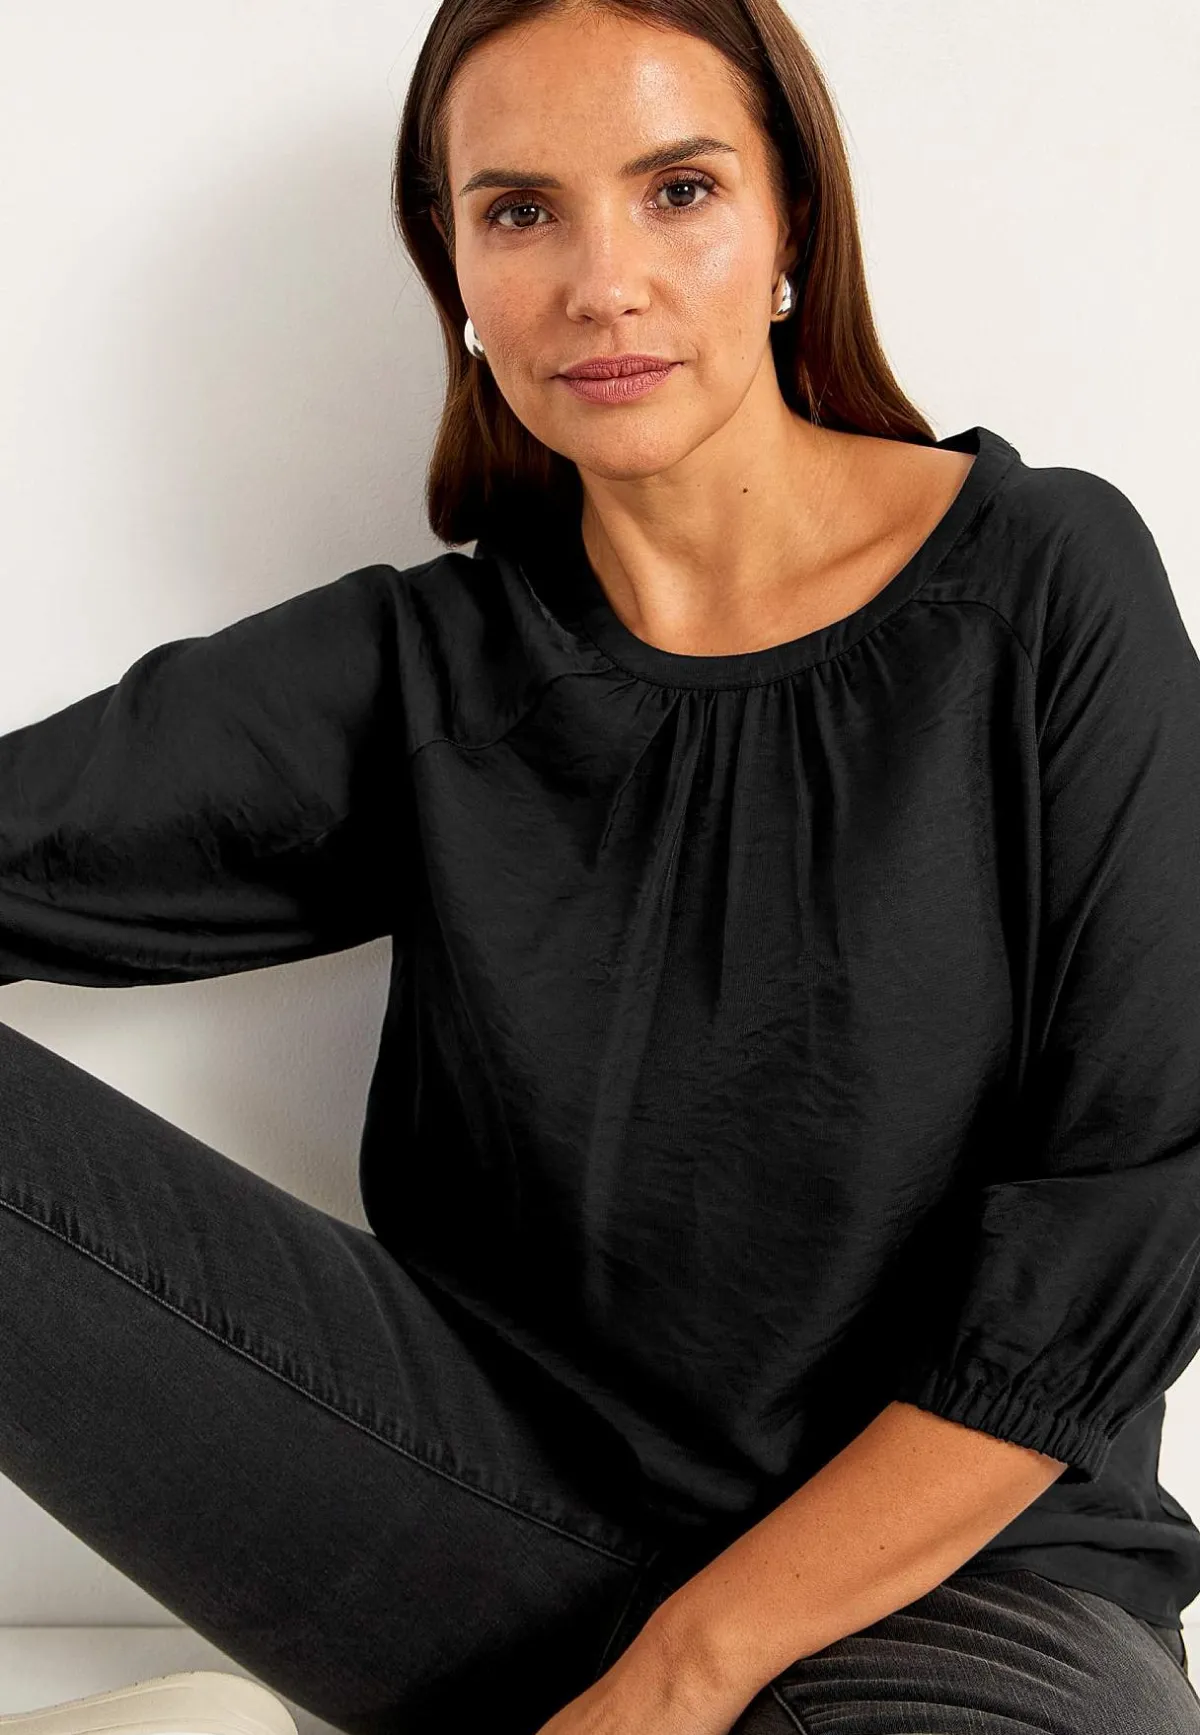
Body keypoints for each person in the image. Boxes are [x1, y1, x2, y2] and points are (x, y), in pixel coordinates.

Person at [2, 1, 1199, 1732]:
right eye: (521, 212)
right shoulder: (428, 669)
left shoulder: (1042, 585)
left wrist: (680, 1672)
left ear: (791, 229)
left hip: (956, 1586)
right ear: (458, 274)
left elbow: (1130, 1213)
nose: (603, 283)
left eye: (678, 190)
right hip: (477, 1526)